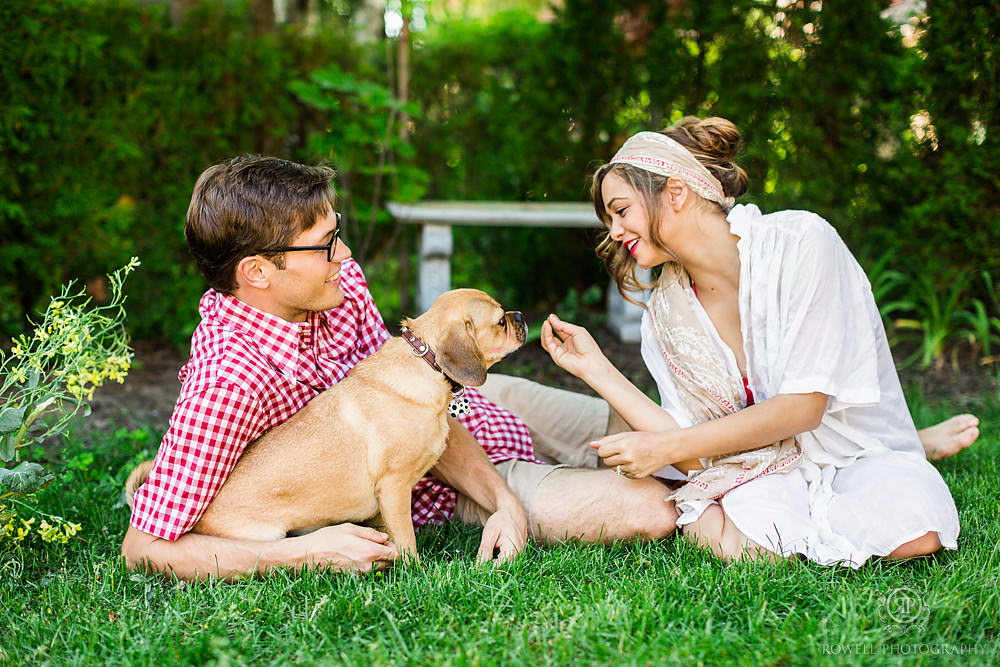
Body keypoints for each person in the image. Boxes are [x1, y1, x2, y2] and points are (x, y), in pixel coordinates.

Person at [122, 156, 678, 581]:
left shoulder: (337, 285)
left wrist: (508, 506)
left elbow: (423, 389)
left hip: (471, 404)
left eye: (337, 233)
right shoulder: (228, 382)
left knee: (666, 435)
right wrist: (302, 552)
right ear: (259, 272)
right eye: (324, 245)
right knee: (658, 505)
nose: (344, 256)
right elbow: (144, 548)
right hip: (431, 478)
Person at [528, 116, 976, 566]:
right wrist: (596, 369)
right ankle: (802, 500)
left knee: (918, 530)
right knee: (731, 545)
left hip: (847, 450)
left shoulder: (802, 242)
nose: (615, 231)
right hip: (763, 467)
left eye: (621, 211)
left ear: (676, 193)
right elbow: (688, 444)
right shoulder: (665, 312)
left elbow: (804, 408)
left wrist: (664, 450)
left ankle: (912, 451)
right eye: (610, 219)